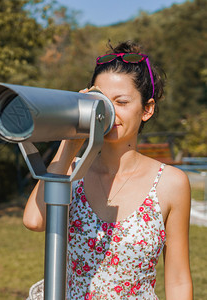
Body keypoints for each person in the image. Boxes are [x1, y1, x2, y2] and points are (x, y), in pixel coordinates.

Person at [23, 41, 193, 299]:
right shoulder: (72, 173)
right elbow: (34, 221)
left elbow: (179, 280)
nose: (109, 112)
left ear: (147, 109)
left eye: (121, 102)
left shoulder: (171, 183)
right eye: (100, 101)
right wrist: (71, 141)